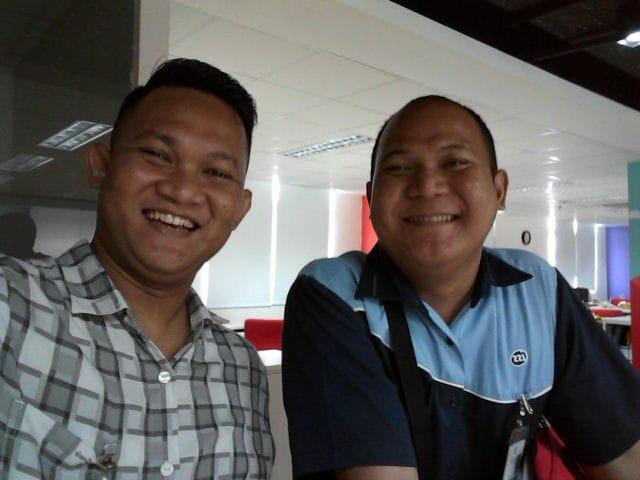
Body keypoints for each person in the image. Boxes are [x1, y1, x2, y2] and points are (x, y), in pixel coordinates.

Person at [282, 95, 640, 479]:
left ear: (499, 190)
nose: (427, 186)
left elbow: (625, 455)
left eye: (455, 162)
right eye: (399, 167)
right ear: (372, 198)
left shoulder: (537, 288)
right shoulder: (334, 295)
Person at [0, 58, 274, 478]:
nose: (182, 190)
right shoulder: (11, 309)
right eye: (157, 154)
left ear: (240, 208)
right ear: (101, 164)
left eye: (217, 172)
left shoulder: (243, 368)